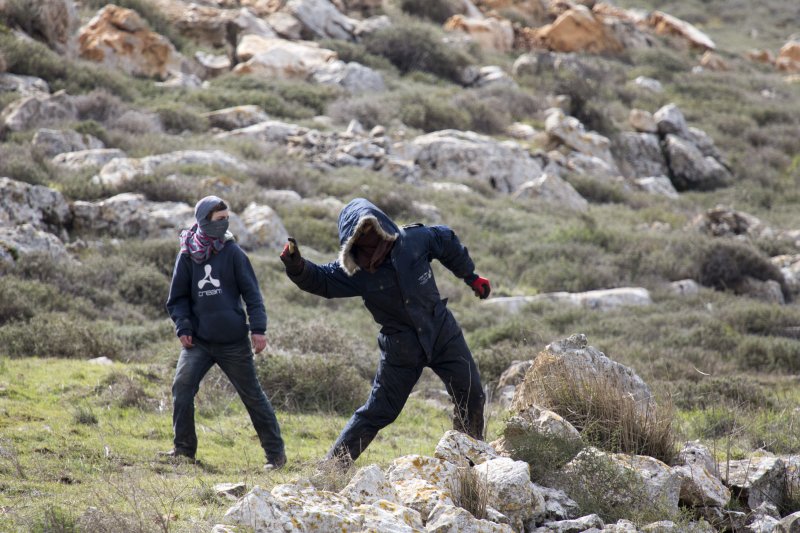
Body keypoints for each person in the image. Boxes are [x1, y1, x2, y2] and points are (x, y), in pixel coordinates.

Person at [280, 198, 490, 467]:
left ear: (382, 225)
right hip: (401, 349)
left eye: (372, 231)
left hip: (442, 332)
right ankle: (331, 470)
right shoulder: (352, 271)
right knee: (378, 412)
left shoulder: (414, 240)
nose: (370, 243)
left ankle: (468, 462)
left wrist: (471, 276)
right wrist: (296, 266)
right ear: (351, 242)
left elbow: (447, 241)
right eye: (361, 238)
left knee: (471, 394)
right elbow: (320, 280)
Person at [164, 196, 286, 470]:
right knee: (182, 388)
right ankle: (183, 452)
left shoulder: (234, 253)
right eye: (220, 220)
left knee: (252, 396)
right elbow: (177, 298)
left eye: (227, 219)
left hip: (234, 343)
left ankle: (276, 456)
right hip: (199, 342)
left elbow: (253, 295)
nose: (226, 224)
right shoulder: (186, 255)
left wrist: (258, 329)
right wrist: (183, 327)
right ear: (204, 220)